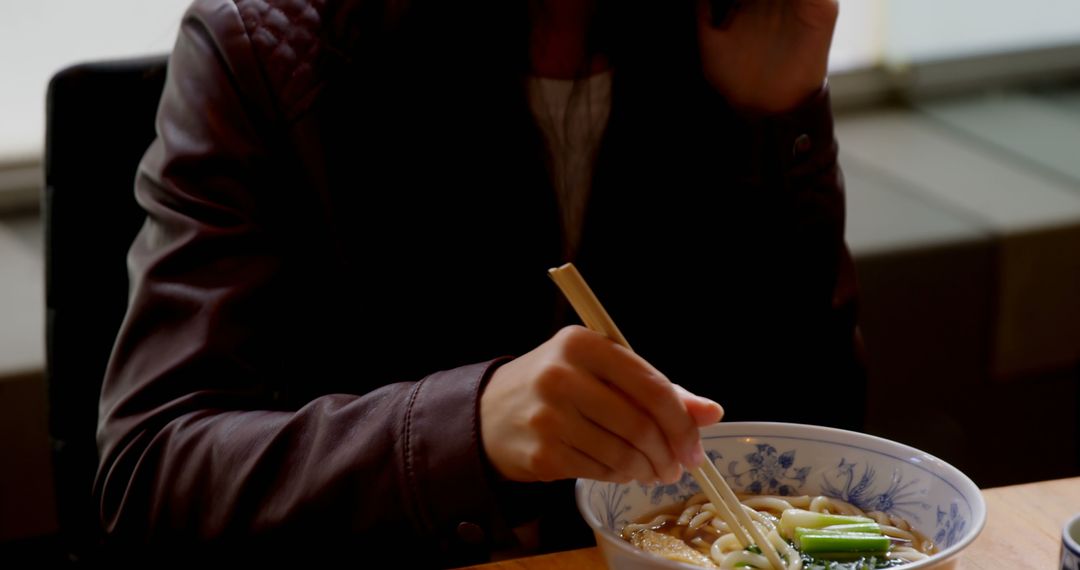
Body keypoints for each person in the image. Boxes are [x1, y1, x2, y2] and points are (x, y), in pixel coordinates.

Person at [94, 0, 865, 564]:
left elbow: (819, 442)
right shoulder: (263, 48)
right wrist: (468, 427)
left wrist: (774, 122)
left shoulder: (720, 29)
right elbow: (151, 470)